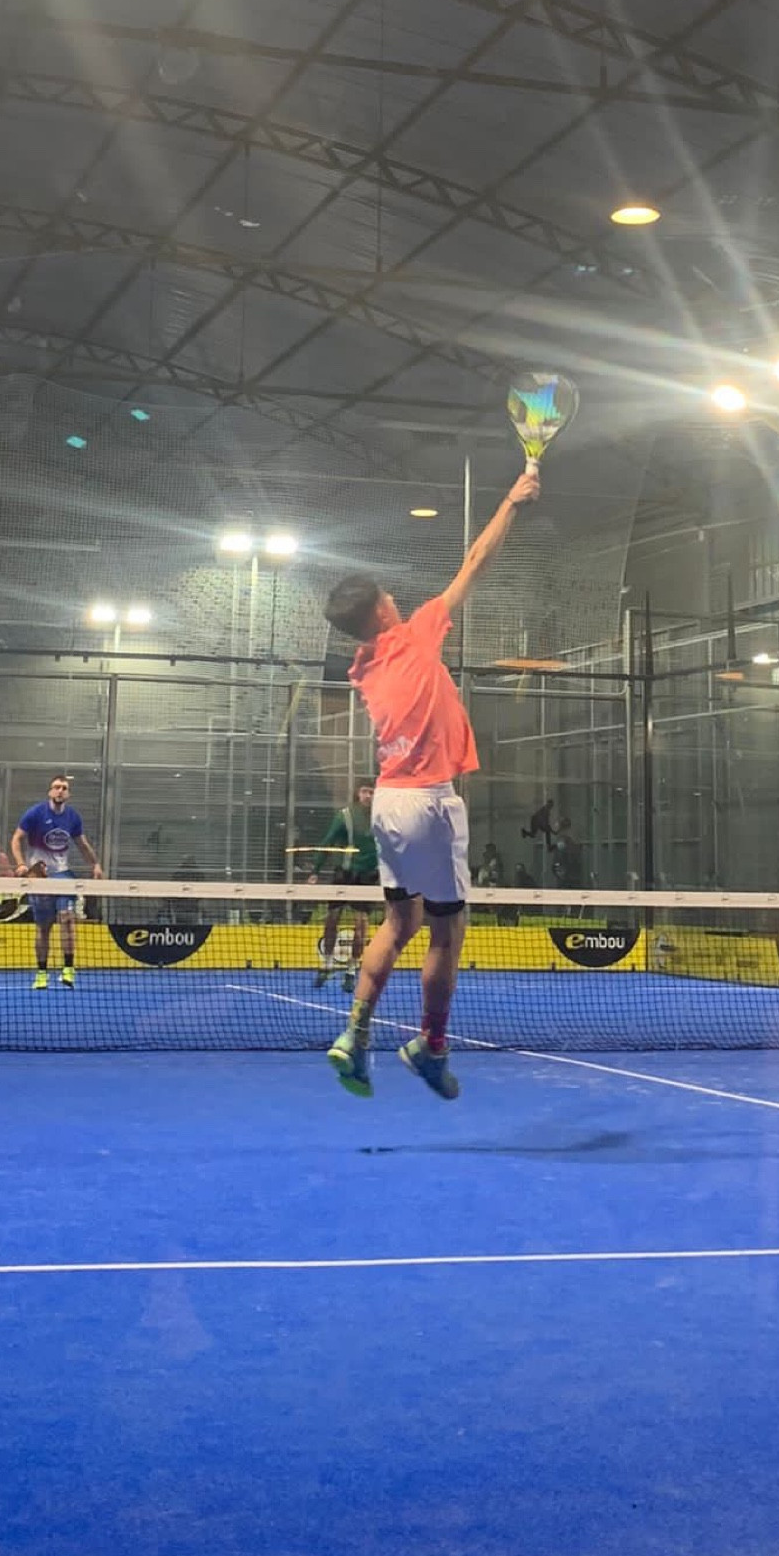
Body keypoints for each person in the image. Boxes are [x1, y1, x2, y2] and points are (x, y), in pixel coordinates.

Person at [320, 470, 539, 1099]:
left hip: (388, 801)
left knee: (399, 922)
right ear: (382, 609)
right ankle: (431, 1046)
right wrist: (512, 498)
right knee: (447, 931)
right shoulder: (414, 635)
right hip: (429, 803)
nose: (394, 596)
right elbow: (476, 560)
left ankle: (354, 1034)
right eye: (387, 593)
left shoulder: (364, 665)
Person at [11, 774, 102, 990]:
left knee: (67, 919)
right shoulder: (35, 813)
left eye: (64, 788)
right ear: (50, 791)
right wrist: (21, 864)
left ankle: (68, 969)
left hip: (63, 876)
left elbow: (82, 844)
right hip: (40, 877)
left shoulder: (73, 817)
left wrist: (95, 865)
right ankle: (42, 974)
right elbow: (16, 839)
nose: (60, 791)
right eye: (56, 787)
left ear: (68, 794)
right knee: (44, 928)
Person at [310, 780, 381, 990]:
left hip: (367, 877)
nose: (368, 796)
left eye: (372, 792)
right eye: (365, 791)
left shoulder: (382, 817)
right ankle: (327, 964)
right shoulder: (345, 816)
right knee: (332, 918)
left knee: (361, 925)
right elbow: (327, 842)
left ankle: (351, 969)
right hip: (344, 875)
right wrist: (315, 871)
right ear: (358, 793)